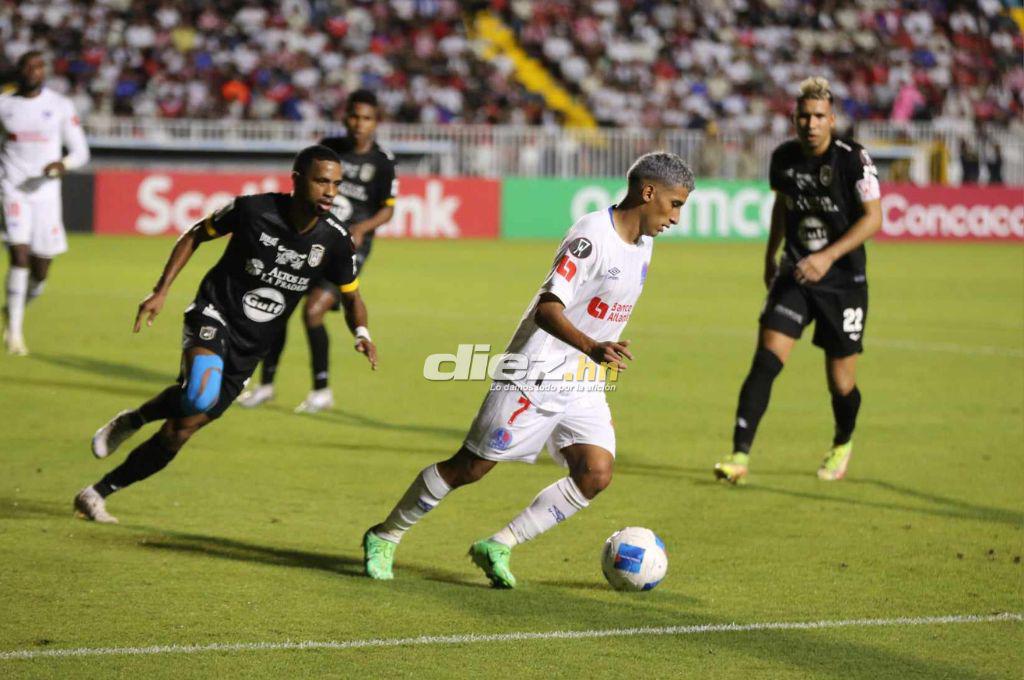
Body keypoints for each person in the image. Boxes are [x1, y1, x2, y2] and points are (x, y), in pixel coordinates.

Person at [361, 152, 694, 587]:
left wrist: (594, 363)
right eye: (675, 204)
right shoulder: (593, 235)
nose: (676, 216)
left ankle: (498, 544)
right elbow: (547, 309)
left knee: (595, 473)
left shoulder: (644, 245)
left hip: (583, 378)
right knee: (469, 468)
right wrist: (593, 347)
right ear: (648, 192)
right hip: (535, 371)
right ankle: (386, 534)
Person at [73, 145, 377, 523]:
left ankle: (97, 492)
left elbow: (352, 297)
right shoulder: (253, 210)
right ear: (297, 180)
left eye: (336, 183)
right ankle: (131, 422)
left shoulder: (334, 239)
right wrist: (161, 289)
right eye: (321, 181)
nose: (330, 191)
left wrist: (361, 331)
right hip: (214, 311)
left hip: (252, 346)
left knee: (179, 432)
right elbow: (194, 235)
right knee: (201, 392)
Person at [713, 77, 882, 485]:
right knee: (767, 359)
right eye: (804, 116)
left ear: (832, 119)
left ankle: (842, 440)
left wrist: (827, 257)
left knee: (841, 382)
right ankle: (738, 455)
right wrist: (771, 252)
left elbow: (874, 218)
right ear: (794, 118)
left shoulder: (853, 159)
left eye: (819, 116)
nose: (811, 123)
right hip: (795, 273)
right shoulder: (784, 158)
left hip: (844, 281)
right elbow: (782, 206)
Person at [238, 90, 397, 413]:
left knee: (313, 312)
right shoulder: (329, 148)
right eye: (354, 116)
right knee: (278, 307)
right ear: (345, 117)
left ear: (376, 122)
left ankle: (321, 390)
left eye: (366, 118)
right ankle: (266, 385)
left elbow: (388, 210)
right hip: (311, 239)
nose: (359, 124)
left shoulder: (382, 162)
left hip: (348, 248)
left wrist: (362, 229)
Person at [0, 50, 90, 355]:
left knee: (40, 270)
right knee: (19, 254)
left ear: (45, 72)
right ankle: (15, 333)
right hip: (12, 190)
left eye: (39, 67)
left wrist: (62, 164)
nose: (33, 72)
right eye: (28, 67)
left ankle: (14, 308)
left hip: (46, 196)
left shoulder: (60, 106)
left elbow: (80, 152)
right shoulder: (5, 105)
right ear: (19, 71)